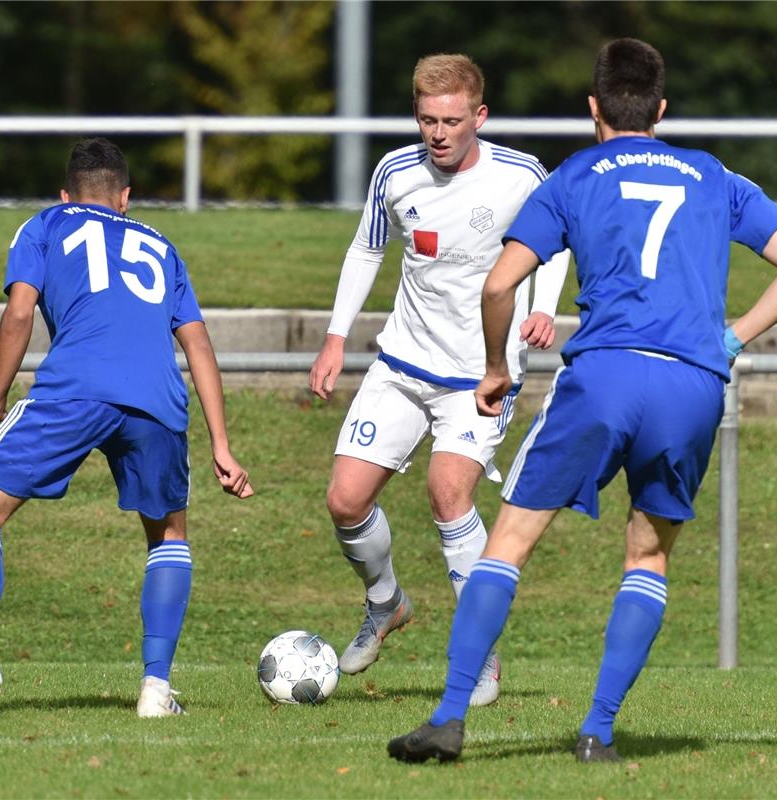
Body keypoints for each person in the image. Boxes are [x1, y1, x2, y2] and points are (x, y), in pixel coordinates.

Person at [387, 38, 777, 764]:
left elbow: (500, 286)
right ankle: (598, 730)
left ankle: (450, 716)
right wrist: (729, 339)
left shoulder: (573, 176)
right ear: (660, 108)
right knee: (647, 556)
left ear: (593, 107)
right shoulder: (714, 175)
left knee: (511, 541)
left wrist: (495, 369)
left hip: (606, 374)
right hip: (690, 384)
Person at [0, 138, 254, 722]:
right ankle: (156, 691)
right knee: (168, 535)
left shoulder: (44, 224)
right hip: (158, 402)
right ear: (127, 198)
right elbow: (197, 343)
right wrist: (221, 443)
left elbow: (19, 311)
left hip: (75, 388)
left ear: (67, 195)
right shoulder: (162, 246)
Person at [309, 53, 570, 707]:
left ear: (478, 116)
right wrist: (337, 337)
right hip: (401, 363)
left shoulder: (519, 176)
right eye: (427, 120)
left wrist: (543, 307)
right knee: (345, 499)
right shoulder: (394, 173)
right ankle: (386, 603)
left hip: (483, 372)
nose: (439, 133)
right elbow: (367, 247)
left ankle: (478, 656)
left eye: (452, 120)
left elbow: (557, 241)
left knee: (448, 492)